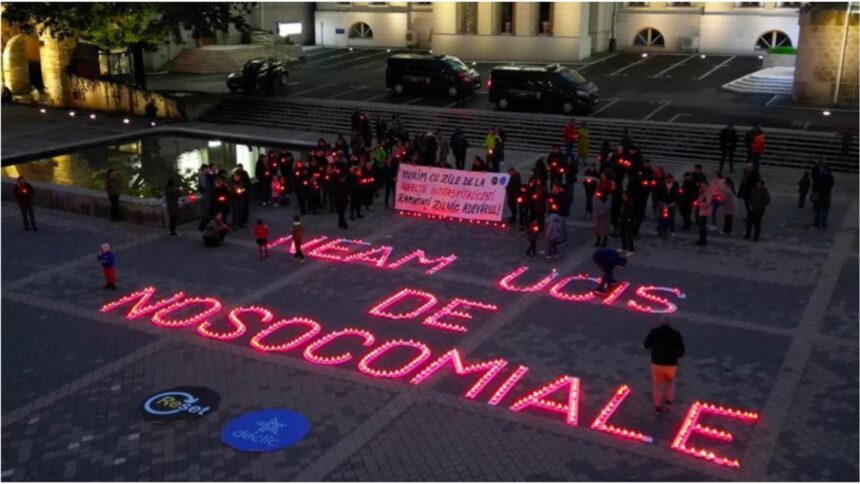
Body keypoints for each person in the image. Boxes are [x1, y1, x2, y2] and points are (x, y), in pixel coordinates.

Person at [644, 319, 685, 415]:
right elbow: (682, 350)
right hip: (671, 364)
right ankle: (668, 403)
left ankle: (657, 408)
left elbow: (646, 345)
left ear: (660, 323)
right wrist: (677, 356)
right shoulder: (676, 334)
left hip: (657, 363)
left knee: (657, 385)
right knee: (670, 382)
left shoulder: (654, 332)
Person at [811, 163, 834, 229]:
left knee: (818, 208)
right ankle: (824, 222)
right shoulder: (830, 176)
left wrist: (814, 192)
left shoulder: (818, 176)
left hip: (819, 193)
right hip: (827, 194)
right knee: (826, 209)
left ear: (823, 169)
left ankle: (817, 222)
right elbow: (832, 184)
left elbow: (814, 184)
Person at [695, 181, 712, 246]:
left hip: (704, 212)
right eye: (701, 186)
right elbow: (699, 199)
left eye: (703, 186)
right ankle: (702, 239)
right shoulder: (701, 192)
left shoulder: (708, 193)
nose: (702, 187)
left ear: (706, 186)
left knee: (702, 226)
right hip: (700, 211)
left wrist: (699, 204)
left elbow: (708, 203)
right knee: (701, 226)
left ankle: (702, 240)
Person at [619, 191, 636, 256]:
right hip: (622, 221)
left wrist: (628, 220)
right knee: (622, 234)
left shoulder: (630, 204)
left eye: (623, 195)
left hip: (627, 222)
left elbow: (630, 214)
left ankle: (631, 250)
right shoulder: (624, 203)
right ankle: (624, 248)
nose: (622, 196)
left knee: (628, 236)